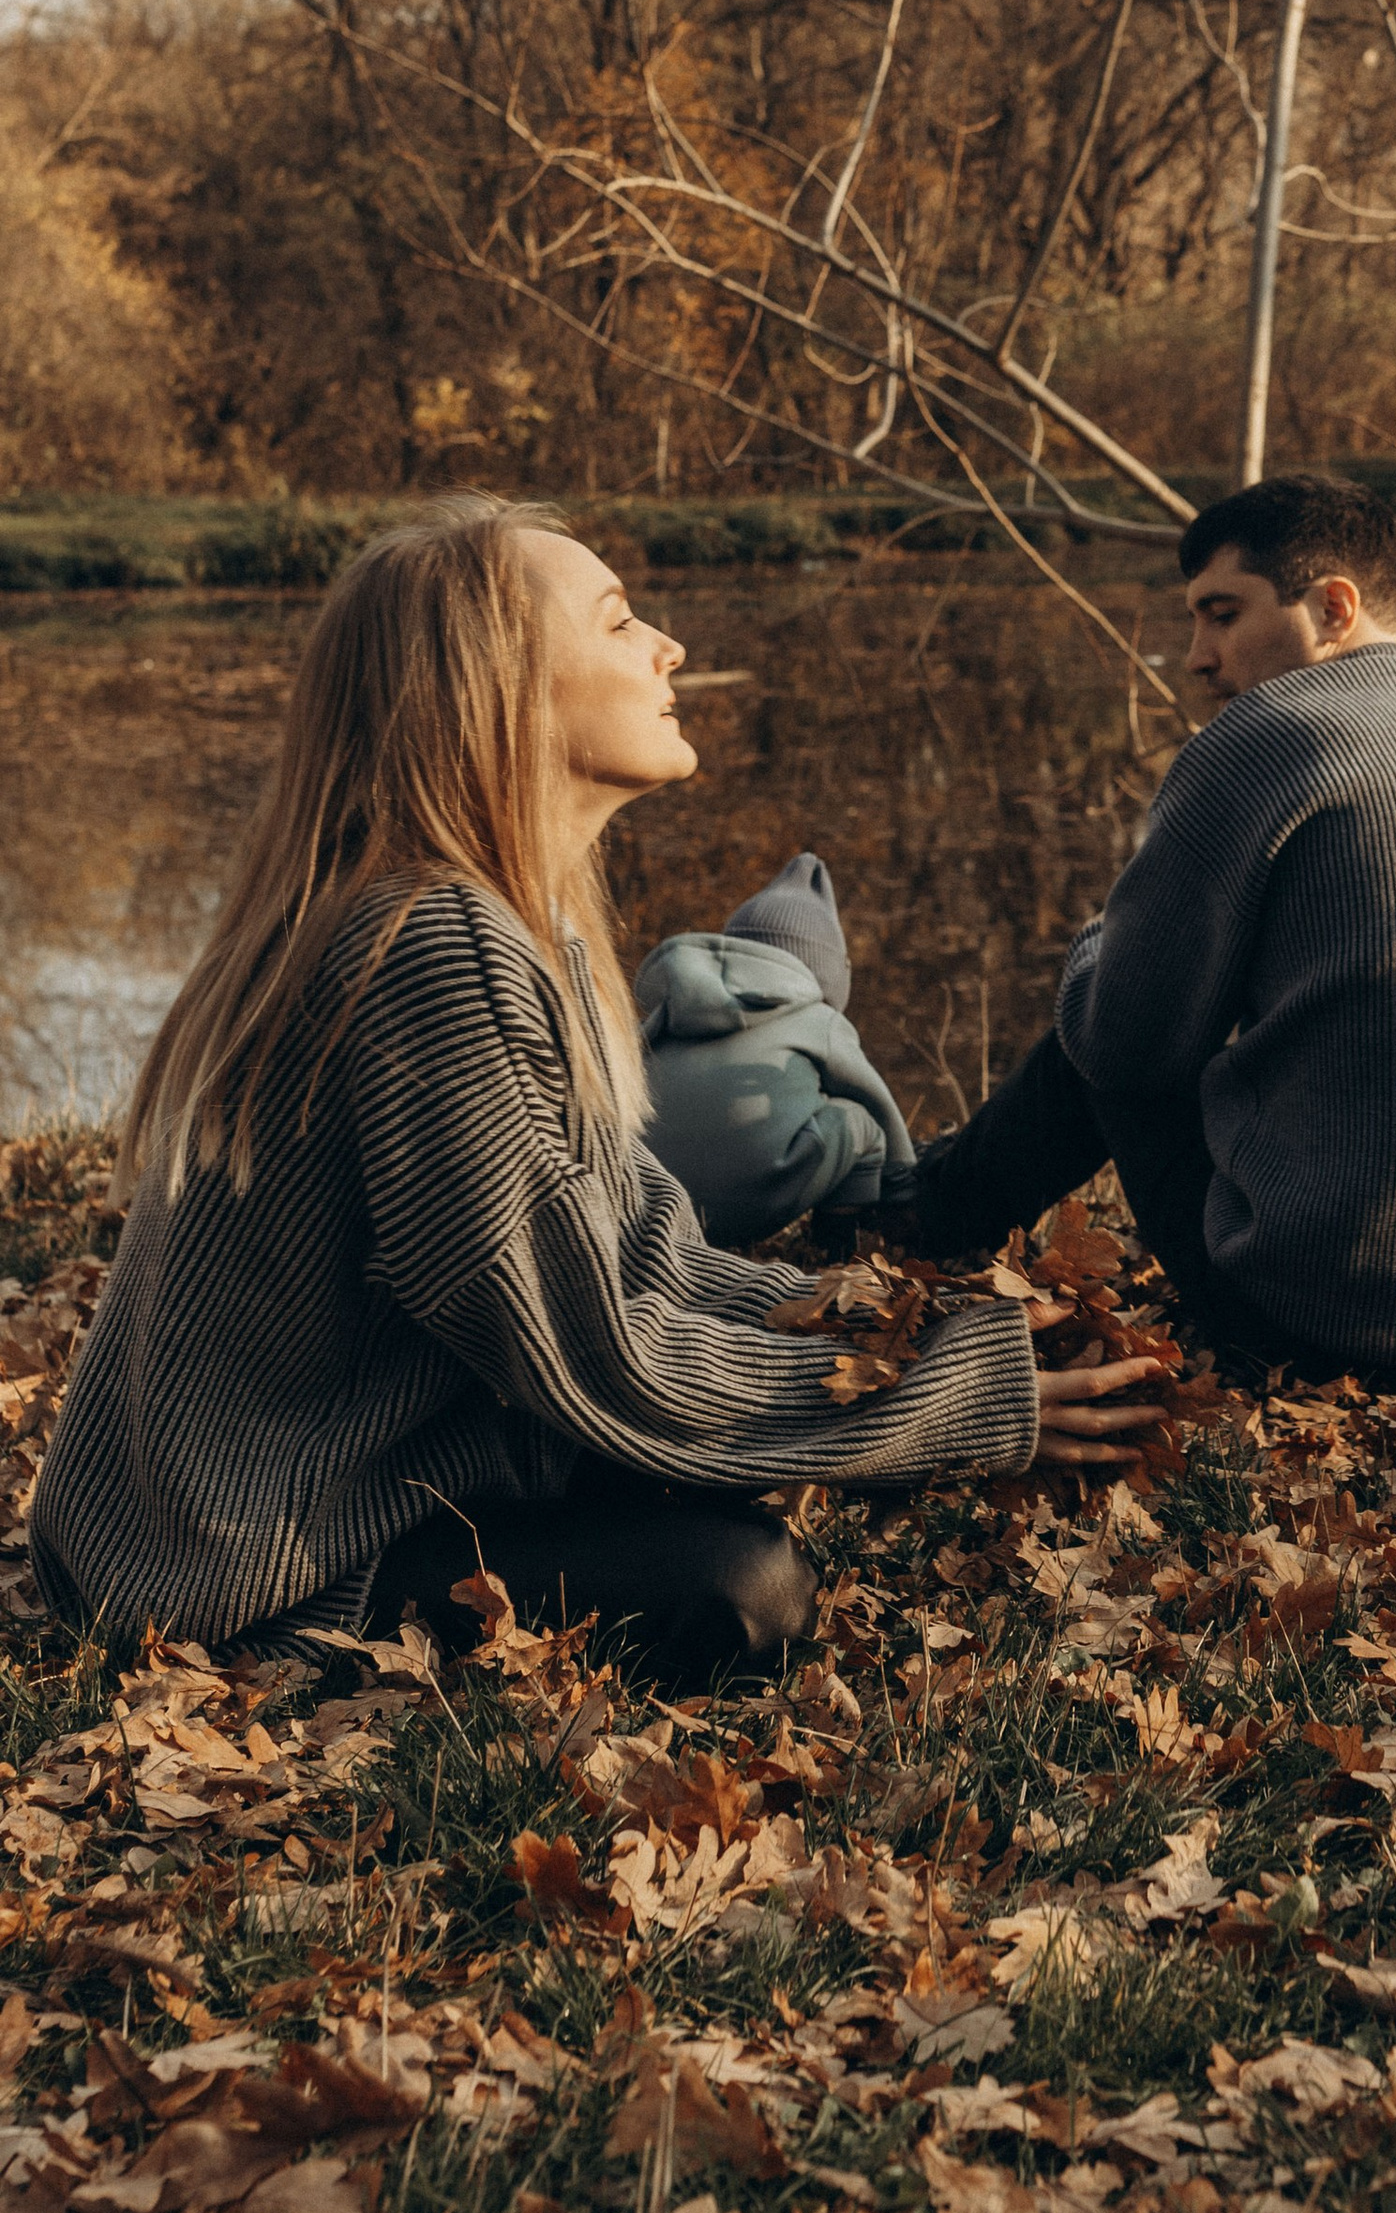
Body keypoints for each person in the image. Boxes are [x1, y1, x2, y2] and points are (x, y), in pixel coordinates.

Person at [31, 499, 1165, 1674]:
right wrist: (951, 1402)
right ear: (503, 691)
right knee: (747, 1591)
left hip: (270, 1501)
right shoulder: (433, 947)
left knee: (725, 1497)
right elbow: (588, 1349)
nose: (669, 647)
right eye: (620, 621)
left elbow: (639, 1256)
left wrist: (892, 1329)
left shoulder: (506, 921)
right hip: (235, 1566)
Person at [889, 472, 1396, 1381]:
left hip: (1341, 1319)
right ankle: (924, 1197)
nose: (1197, 657)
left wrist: (1105, 942)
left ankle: (913, 1220)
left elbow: (1124, 1046)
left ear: (1334, 606)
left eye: (1223, 615)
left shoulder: (1268, 732)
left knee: (1102, 1021)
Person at [635, 851, 915, 1250]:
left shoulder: (671, 1011)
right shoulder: (819, 1019)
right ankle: (838, 1247)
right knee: (859, 1123)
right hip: (750, 1207)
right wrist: (903, 1184)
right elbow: (877, 1103)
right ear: (829, 972)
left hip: (651, 1203)